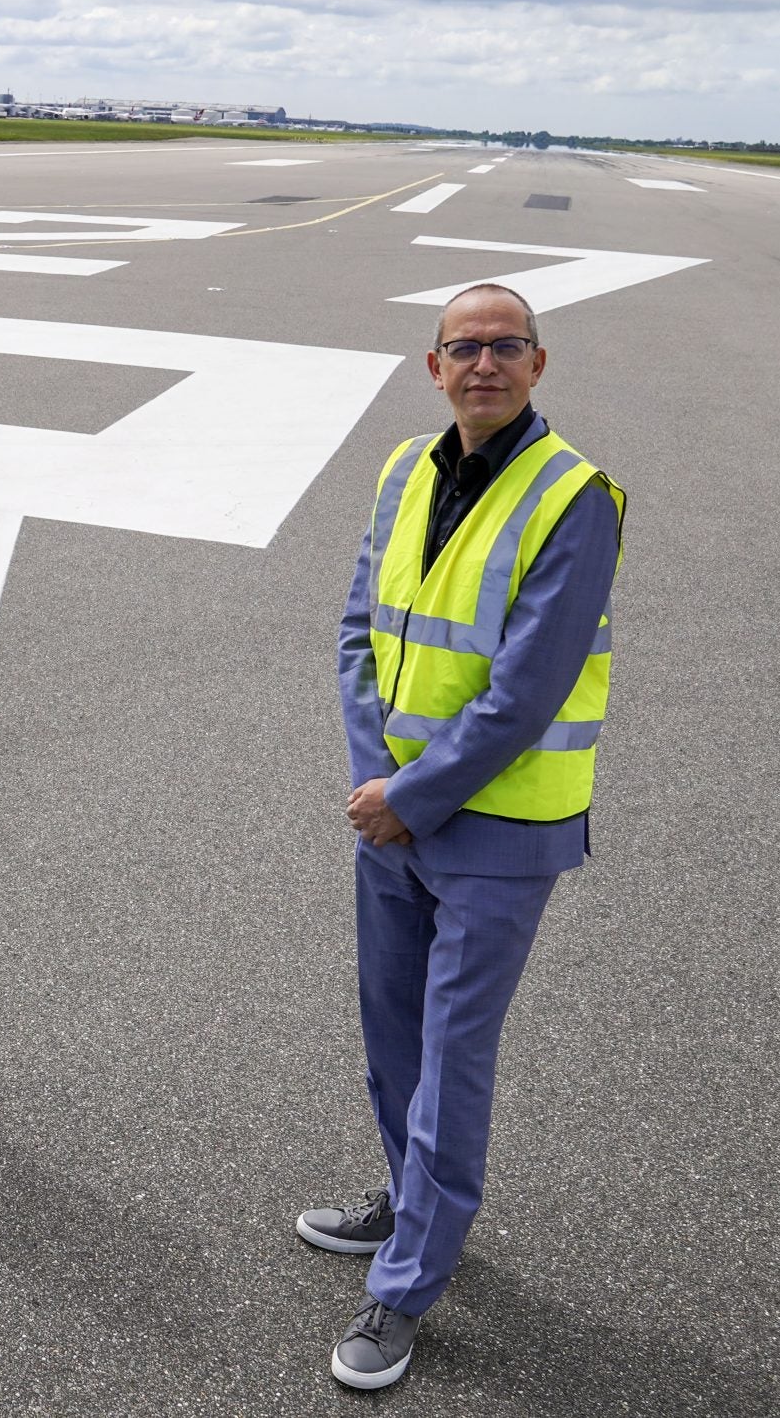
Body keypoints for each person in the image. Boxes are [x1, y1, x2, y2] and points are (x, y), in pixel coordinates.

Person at [299, 282, 624, 1388]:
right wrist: (376, 780)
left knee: (449, 1057)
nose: (485, 363)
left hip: (498, 827)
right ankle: (410, 1203)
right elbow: (359, 630)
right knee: (391, 1034)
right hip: (392, 812)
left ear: (539, 364)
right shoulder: (403, 469)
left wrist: (412, 795)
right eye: (464, 347)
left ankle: (405, 1288)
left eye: (506, 346)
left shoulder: (576, 496)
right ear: (432, 366)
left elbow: (528, 689)